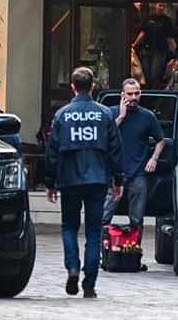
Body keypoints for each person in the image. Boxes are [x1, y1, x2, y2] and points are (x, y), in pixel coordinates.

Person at [45, 67, 124, 298]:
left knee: (69, 226)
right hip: (98, 179)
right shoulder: (105, 114)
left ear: (72, 86)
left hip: (69, 179)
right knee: (93, 230)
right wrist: (118, 179)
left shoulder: (62, 115)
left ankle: (72, 266)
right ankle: (89, 283)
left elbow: (52, 152)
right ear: (92, 86)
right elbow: (115, 150)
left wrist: (50, 182)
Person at [101, 78, 165, 244]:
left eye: (137, 93)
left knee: (137, 219)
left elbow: (161, 140)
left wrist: (154, 158)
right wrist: (121, 117)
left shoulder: (147, 116)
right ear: (122, 95)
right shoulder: (110, 113)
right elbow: (104, 137)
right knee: (103, 216)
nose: (134, 97)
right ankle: (102, 251)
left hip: (138, 173)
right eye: (130, 94)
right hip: (114, 173)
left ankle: (134, 252)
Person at [132, 2, 177, 88]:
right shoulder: (149, 18)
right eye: (160, 5)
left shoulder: (167, 21)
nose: (161, 7)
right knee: (146, 74)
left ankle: (153, 94)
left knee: (154, 74)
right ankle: (147, 93)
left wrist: (173, 51)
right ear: (155, 6)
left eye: (163, 6)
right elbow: (143, 32)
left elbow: (169, 38)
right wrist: (135, 44)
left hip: (159, 50)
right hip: (147, 48)